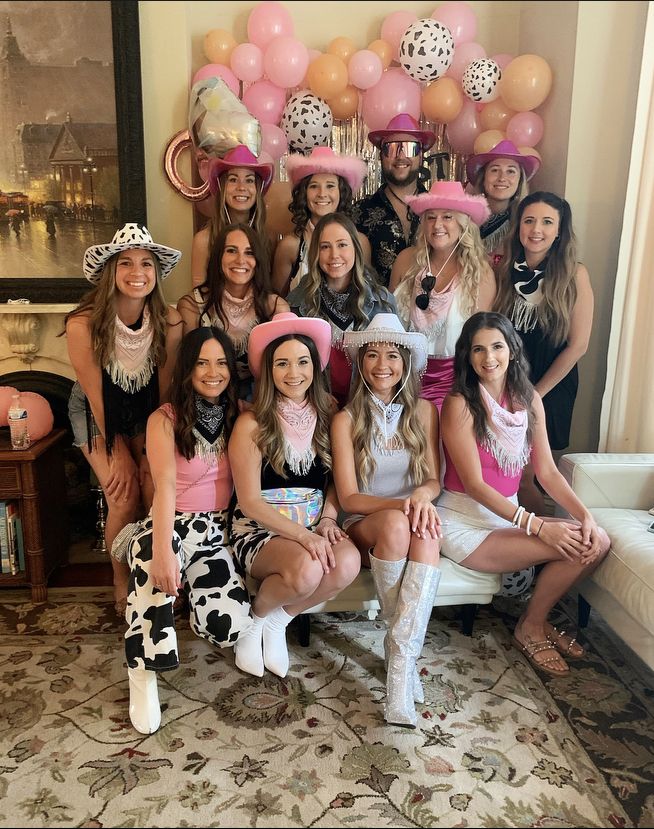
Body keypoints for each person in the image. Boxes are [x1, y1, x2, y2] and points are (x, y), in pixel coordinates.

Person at [439, 311, 610, 677]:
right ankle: (531, 626)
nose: (489, 358)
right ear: (467, 356)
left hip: (508, 517)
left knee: (598, 540)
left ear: (512, 350)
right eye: (478, 350)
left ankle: (536, 619)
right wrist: (536, 526)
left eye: (497, 346)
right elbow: (474, 485)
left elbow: (546, 471)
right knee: (574, 545)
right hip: (466, 523)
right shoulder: (460, 404)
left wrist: (585, 516)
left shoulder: (529, 399)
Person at [123, 327, 251, 734]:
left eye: (221, 362)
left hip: (216, 531)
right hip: (169, 522)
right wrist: (163, 549)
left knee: (228, 627)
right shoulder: (165, 419)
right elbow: (163, 486)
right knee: (149, 561)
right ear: (187, 369)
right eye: (201, 362)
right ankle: (142, 672)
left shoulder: (242, 415)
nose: (212, 372)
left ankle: (199, 609)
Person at [228, 312, 361, 679]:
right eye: (282, 363)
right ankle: (253, 622)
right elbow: (250, 501)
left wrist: (329, 518)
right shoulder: (252, 422)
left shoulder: (329, 412)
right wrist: (303, 536)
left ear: (315, 367)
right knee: (306, 568)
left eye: (302, 362)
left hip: (314, 522)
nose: (293, 373)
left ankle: (279, 621)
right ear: (268, 370)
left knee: (347, 562)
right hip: (261, 528)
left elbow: (337, 479)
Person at [64, 223, 183, 616]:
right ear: (110, 272)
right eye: (126, 263)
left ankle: (153, 577)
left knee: (152, 489)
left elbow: (163, 393)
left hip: (147, 412)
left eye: (146, 264)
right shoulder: (82, 323)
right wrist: (121, 453)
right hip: (97, 413)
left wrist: (149, 450)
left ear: (156, 272)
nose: (137, 272)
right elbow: (98, 398)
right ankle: (119, 580)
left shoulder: (169, 321)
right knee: (122, 494)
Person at [331, 313, 442, 728]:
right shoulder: (345, 419)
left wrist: (420, 497)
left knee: (425, 527)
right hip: (365, 521)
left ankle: (400, 663)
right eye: (372, 354)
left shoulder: (425, 412)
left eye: (392, 355)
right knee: (401, 525)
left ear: (406, 362)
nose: (382, 364)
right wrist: (403, 507)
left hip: (412, 518)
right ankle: (403, 666)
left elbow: (434, 479)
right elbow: (348, 496)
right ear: (360, 362)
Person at [493, 192, 593, 514]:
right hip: (505, 385)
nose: (536, 229)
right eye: (529, 220)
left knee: (527, 476)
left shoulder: (574, 274)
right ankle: (515, 546)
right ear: (518, 226)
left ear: (560, 231)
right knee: (502, 474)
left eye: (547, 222)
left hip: (548, 388)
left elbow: (578, 345)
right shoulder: (502, 270)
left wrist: (534, 395)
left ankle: (538, 552)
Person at [390, 181, 496, 409]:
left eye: (447, 217)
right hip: (402, 381)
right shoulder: (405, 261)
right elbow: (388, 323)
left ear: (463, 224)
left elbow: (482, 340)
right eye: (430, 217)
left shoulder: (480, 272)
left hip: (455, 387)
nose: (437, 224)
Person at [287, 212, 396, 406]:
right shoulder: (298, 301)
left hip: (367, 405)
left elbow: (394, 364)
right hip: (316, 405)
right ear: (316, 253)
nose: (334, 255)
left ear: (356, 248)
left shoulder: (382, 302)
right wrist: (316, 398)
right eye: (325, 247)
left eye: (342, 245)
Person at [178, 222, 288, 404]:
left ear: (258, 260)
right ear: (218, 257)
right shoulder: (192, 306)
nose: (240, 260)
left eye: (249, 252)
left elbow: (282, 367)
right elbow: (189, 371)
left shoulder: (275, 307)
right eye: (231, 250)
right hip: (208, 400)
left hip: (260, 402)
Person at [272, 146, 371, 297]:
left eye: (330, 186)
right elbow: (277, 302)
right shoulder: (290, 246)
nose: (322, 194)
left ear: (341, 192)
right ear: (304, 194)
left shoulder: (360, 242)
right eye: (314, 186)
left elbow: (367, 296)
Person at [351, 113, 435, 287]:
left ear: (421, 156)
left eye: (410, 147)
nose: (400, 155)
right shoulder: (358, 213)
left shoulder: (439, 210)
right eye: (392, 148)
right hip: (375, 312)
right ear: (382, 156)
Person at [190, 145, 274, 287]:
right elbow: (198, 295)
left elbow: (270, 291)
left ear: (258, 189)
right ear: (222, 187)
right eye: (233, 180)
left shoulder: (268, 238)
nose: (241, 187)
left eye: (249, 180)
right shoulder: (204, 240)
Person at [466, 139, 540, 269]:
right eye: (494, 170)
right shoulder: (465, 219)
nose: (502, 178)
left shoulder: (527, 223)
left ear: (520, 180)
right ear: (483, 178)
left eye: (511, 171)